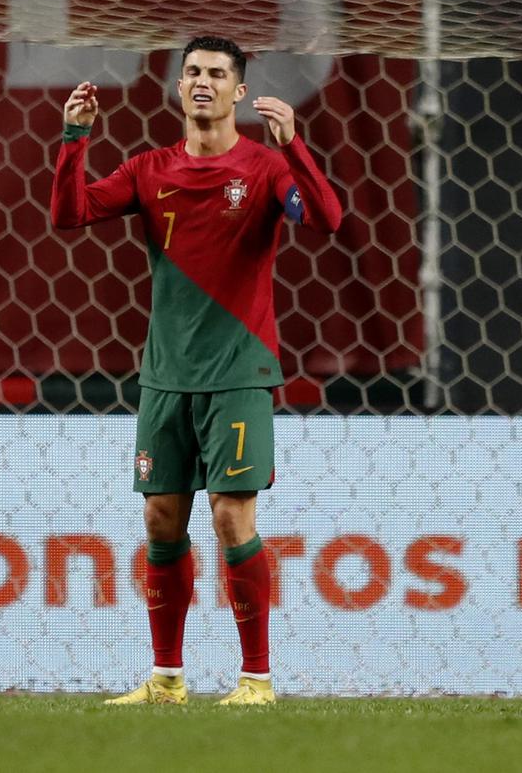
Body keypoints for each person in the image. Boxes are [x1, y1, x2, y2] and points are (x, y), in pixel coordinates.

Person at [50, 36, 343, 706]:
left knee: (232, 516)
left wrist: (295, 144)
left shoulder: (265, 169)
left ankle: (257, 679)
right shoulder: (149, 170)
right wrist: (75, 137)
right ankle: (166, 678)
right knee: (160, 520)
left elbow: (326, 217)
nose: (202, 82)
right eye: (192, 73)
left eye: (216, 73)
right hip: (165, 376)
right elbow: (68, 215)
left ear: (239, 92)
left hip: (239, 371)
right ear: (178, 89)